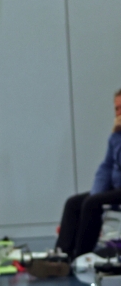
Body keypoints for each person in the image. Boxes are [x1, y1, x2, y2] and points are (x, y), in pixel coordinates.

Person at [57, 90, 121, 260]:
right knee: (74, 203)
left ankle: (82, 255)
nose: (118, 113)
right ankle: (63, 254)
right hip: (116, 188)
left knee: (92, 204)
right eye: (116, 109)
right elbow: (106, 167)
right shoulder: (115, 136)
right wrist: (96, 192)